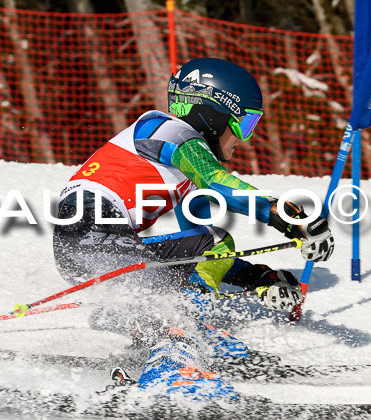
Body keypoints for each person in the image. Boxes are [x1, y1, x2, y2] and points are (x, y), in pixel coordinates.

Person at [52, 57, 334, 312]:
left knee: (212, 242)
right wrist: (289, 219)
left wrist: (259, 276)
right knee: (214, 244)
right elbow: (218, 184)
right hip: (94, 237)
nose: (243, 140)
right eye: (245, 124)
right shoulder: (169, 130)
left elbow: (202, 255)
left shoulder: (181, 171)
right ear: (212, 115)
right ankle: (182, 340)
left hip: (85, 249)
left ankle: (157, 339)